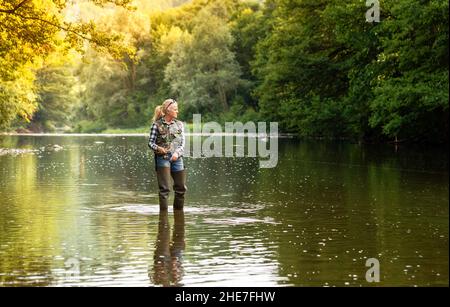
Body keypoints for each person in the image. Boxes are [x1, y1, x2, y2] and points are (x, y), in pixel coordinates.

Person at [148, 99, 187, 211]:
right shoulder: (156, 125)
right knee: (164, 190)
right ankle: (163, 216)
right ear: (168, 111)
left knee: (181, 188)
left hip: (177, 159)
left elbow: (183, 143)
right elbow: (150, 143)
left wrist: (177, 153)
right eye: (175, 109)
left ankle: (178, 213)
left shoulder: (179, 124)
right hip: (162, 159)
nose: (177, 111)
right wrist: (159, 148)